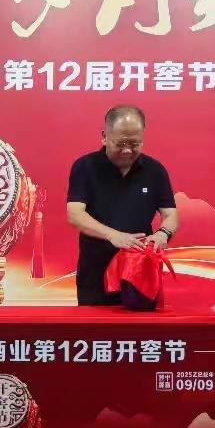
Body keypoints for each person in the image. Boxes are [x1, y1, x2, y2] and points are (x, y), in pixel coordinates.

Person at [66, 105, 179, 306]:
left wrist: (163, 234)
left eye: (134, 143)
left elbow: (170, 214)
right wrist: (113, 235)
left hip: (140, 273)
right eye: (121, 143)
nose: (127, 150)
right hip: (96, 274)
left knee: (143, 325)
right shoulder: (85, 167)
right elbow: (75, 214)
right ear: (104, 137)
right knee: (95, 324)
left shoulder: (155, 171)